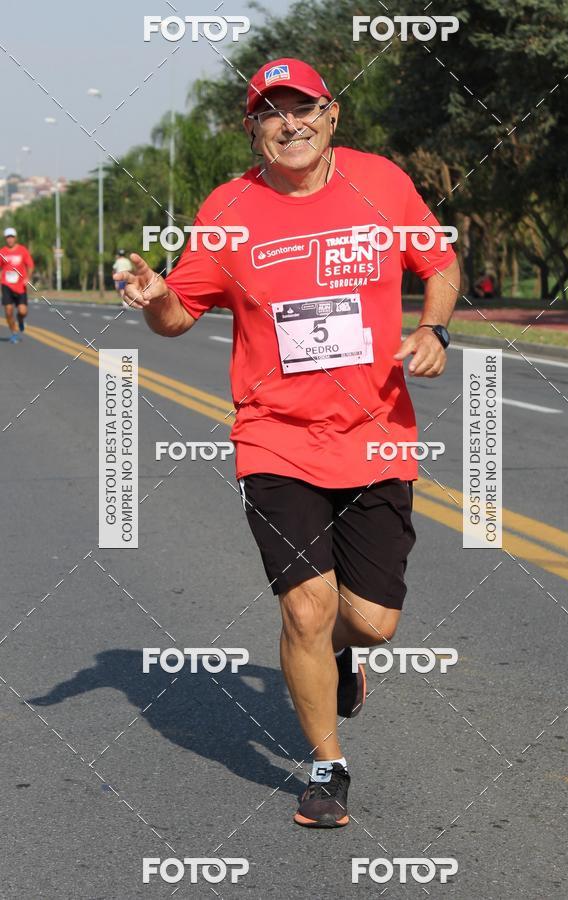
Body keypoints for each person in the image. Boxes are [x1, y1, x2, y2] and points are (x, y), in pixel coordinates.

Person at [116, 57, 460, 828]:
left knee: (370, 622)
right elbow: (179, 314)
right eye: (271, 111)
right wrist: (155, 297)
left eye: (302, 106)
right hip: (274, 436)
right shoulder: (229, 206)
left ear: (331, 114)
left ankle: (345, 658)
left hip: (376, 433)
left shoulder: (383, 183)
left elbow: (439, 262)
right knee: (306, 608)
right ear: (254, 128)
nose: (289, 122)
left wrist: (434, 327)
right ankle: (327, 766)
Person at [0, 227, 33, 344]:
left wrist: (27, 277)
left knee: (22, 311)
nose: (10, 239)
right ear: (5, 239)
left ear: (15, 238)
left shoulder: (22, 250)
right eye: (8, 237)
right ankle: (14, 333)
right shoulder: (2, 252)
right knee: (8, 311)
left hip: (20, 286)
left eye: (12, 237)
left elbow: (30, 265)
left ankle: (20, 320)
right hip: (6, 285)